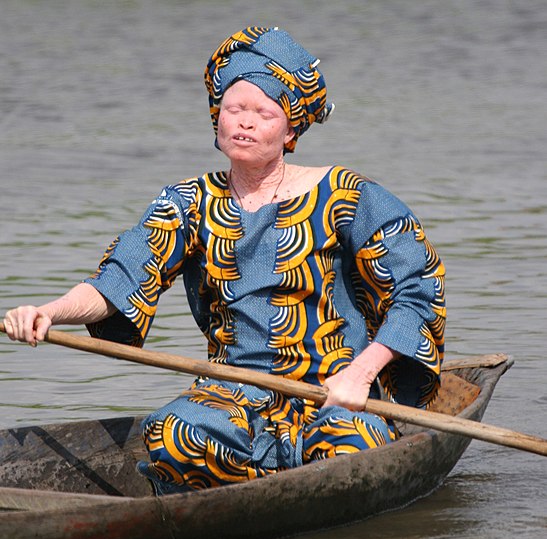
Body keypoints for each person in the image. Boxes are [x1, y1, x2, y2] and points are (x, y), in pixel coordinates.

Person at [2, 26, 445, 495]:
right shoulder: (189, 202)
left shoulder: (348, 195)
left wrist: (360, 374)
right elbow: (119, 279)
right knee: (172, 436)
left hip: (334, 391)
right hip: (233, 390)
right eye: (234, 109)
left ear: (291, 127)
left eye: (263, 112)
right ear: (217, 118)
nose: (245, 122)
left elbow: (417, 290)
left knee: (350, 451)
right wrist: (48, 312)